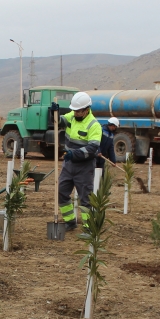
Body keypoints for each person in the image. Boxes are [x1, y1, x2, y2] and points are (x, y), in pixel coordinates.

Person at [50, 92, 101, 231]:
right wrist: (54, 112)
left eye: (79, 111)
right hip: (69, 164)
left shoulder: (94, 125)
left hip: (84, 166)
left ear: (87, 109)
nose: (76, 113)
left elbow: (92, 148)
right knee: (61, 191)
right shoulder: (71, 117)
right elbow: (59, 121)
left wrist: (74, 154)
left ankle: (88, 226)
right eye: (74, 110)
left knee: (85, 198)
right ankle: (70, 221)